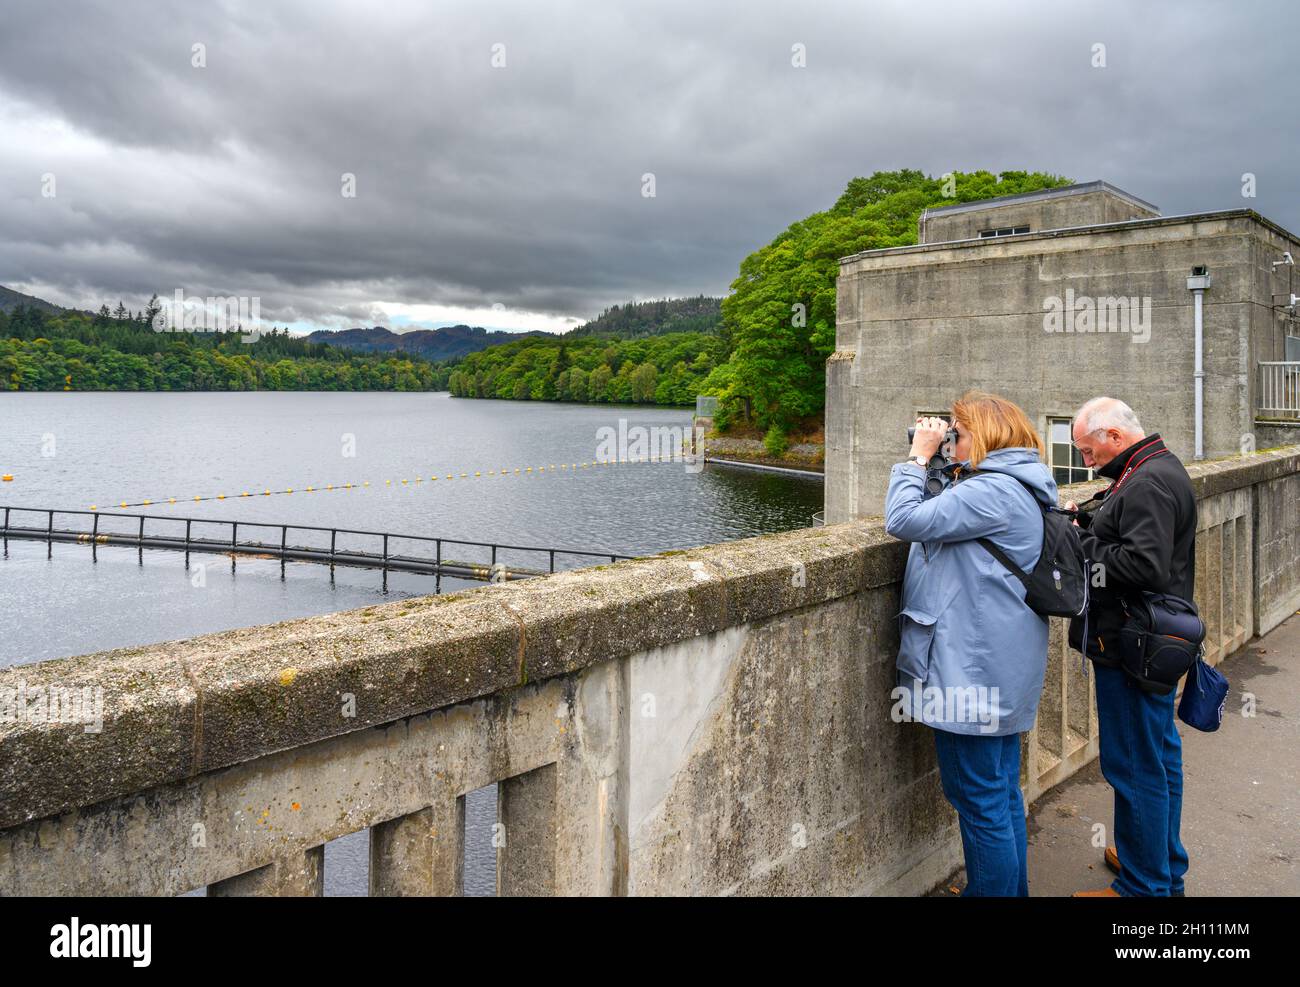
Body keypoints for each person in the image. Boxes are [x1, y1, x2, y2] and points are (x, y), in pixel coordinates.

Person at [885, 391, 1057, 897]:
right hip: (997, 666)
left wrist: (917, 458)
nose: (948, 441)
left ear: (981, 434)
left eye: (955, 433)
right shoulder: (1018, 485)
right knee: (999, 795)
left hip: (971, 675)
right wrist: (940, 463)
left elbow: (902, 520)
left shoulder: (993, 492)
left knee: (980, 800)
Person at [1065, 397, 1196, 897]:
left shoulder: (1148, 481)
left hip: (1131, 644)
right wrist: (1094, 523)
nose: (1085, 459)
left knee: (1134, 764)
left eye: (1087, 448)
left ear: (1115, 437)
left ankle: (1144, 889)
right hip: (1151, 639)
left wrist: (1077, 543)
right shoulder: (1155, 467)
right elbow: (1136, 541)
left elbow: (1145, 566)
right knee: (1158, 757)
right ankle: (1160, 865)